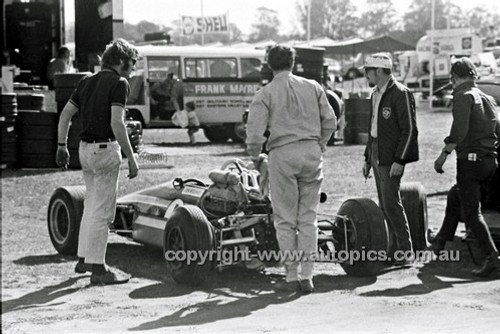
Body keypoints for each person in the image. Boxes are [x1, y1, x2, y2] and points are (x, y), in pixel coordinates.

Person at [246, 45, 337, 293]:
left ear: (269, 64)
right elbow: (331, 121)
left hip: (282, 155)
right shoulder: (314, 87)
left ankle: (290, 276)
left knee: (285, 219)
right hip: (311, 153)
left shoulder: (264, 93)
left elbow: (254, 134)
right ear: (293, 62)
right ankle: (307, 275)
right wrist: (320, 143)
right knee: (308, 218)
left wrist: (256, 157)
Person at [56, 39, 139, 285]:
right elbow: (117, 123)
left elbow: (66, 115)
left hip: (84, 150)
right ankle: (99, 269)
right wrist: (132, 158)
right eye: (132, 63)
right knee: (103, 212)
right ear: (122, 61)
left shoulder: (85, 82)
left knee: (91, 205)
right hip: (105, 149)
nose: (133, 69)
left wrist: (61, 145)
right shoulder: (120, 83)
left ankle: (84, 258)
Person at [432, 57, 500, 277]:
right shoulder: (488, 98)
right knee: (457, 194)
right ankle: (440, 243)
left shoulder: (462, 96)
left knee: (472, 214)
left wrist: (443, 155)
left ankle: (493, 258)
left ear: (454, 78)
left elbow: (459, 131)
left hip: (470, 162)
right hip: (490, 163)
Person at [361, 53, 419, 262]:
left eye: (368, 71)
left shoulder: (401, 93)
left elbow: (410, 130)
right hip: (377, 151)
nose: (366, 75)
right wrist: (368, 157)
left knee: (391, 203)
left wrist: (400, 160)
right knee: (384, 204)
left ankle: (404, 251)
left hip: (391, 155)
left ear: (378, 71)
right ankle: (394, 249)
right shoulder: (375, 94)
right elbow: (373, 128)